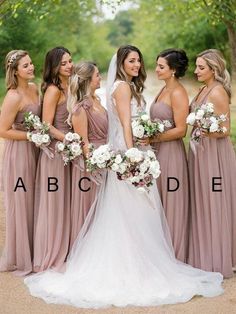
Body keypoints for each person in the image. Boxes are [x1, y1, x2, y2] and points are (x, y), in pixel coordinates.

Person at [24, 45, 223, 308]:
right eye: (131, 61)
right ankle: (133, 267)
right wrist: (132, 156)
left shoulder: (125, 86)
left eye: (139, 61)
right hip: (128, 155)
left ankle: (141, 262)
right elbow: (126, 124)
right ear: (120, 62)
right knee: (133, 213)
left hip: (129, 151)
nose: (137, 65)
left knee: (135, 213)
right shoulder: (122, 87)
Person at [188, 49, 236, 278]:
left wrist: (204, 129)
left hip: (214, 154)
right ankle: (205, 252)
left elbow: (225, 130)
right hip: (199, 152)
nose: (196, 71)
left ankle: (219, 257)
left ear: (214, 70)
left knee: (215, 199)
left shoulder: (217, 92)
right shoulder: (203, 89)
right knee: (202, 200)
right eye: (196, 67)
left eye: (201, 67)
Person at [0, 50, 40, 276]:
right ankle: (20, 255)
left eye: (31, 63)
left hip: (37, 150)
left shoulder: (34, 89)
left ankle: (37, 250)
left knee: (36, 198)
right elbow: (2, 130)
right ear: (15, 71)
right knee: (21, 200)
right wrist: (30, 136)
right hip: (20, 153)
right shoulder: (13, 96)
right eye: (26, 66)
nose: (31, 67)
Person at [33, 47, 73, 272]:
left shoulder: (70, 86)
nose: (69, 65)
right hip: (55, 152)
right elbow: (46, 125)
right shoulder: (52, 90)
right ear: (54, 66)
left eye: (70, 61)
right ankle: (50, 251)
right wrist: (67, 138)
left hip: (69, 151)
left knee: (66, 201)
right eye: (64, 63)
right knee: (54, 203)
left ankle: (65, 248)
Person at [149, 49, 189, 262]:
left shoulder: (178, 93)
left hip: (171, 154)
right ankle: (161, 253)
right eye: (157, 65)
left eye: (161, 66)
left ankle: (175, 255)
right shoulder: (163, 90)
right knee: (159, 202)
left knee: (172, 203)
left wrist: (152, 138)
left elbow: (181, 130)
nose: (156, 69)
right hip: (157, 154)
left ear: (173, 70)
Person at [67, 61, 108, 250]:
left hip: (108, 159)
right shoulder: (80, 109)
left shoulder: (98, 100)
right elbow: (84, 144)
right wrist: (96, 165)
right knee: (91, 207)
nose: (100, 78)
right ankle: (87, 251)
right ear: (88, 80)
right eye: (97, 75)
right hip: (91, 166)